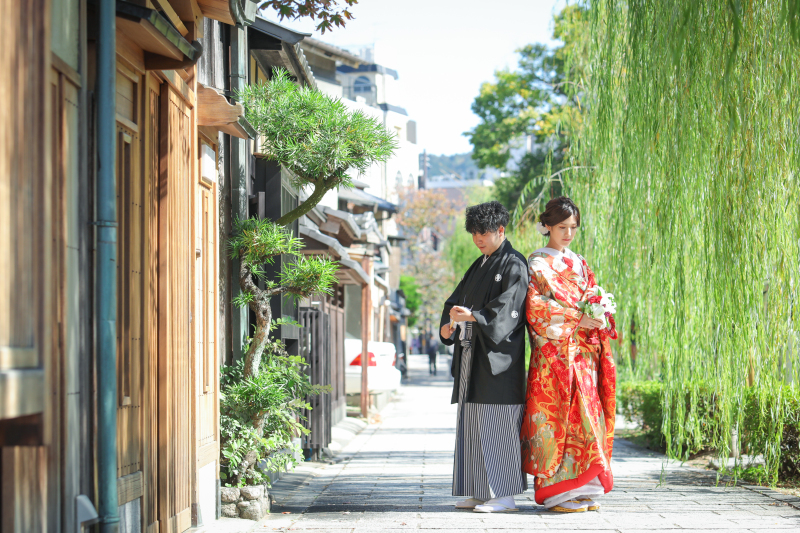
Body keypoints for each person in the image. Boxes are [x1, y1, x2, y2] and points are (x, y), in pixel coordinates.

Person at [520, 196, 616, 513]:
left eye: (573, 227)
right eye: (562, 227)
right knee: (556, 420)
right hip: (555, 356)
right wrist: (576, 319)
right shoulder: (537, 264)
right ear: (546, 226)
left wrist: (601, 312)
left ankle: (583, 486)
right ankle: (554, 493)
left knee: (588, 419)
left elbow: (593, 294)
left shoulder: (579, 262)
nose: (568, 233)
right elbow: (535, 309)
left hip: (583, 355)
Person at [439, 201, 529, 513]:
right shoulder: (479, 265)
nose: (478, 238)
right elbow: (455, 300)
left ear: (501, 230)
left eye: (484, 232)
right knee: (474, 422)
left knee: (498, 423)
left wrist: (474, 316)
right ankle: (479, 491)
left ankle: (504, 495)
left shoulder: (514, 264)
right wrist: (449, 322)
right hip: (471, 354)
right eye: (474, 233)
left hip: (498, 359)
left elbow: (508, 312)